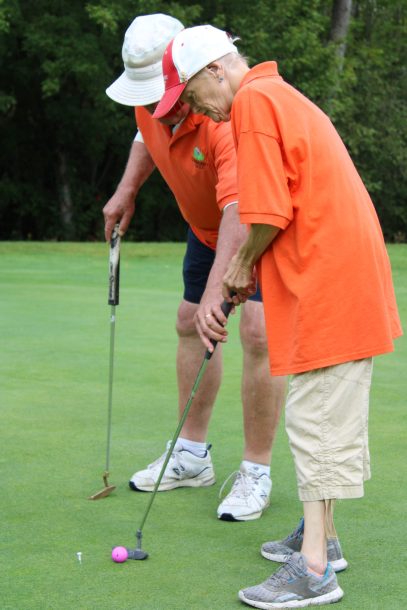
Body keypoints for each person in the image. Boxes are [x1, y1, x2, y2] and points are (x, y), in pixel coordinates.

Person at [153, 25, 402, 608]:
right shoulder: (274, 93)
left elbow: (266, 210)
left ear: (216, 69)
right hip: (335, 274)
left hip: (330, 279)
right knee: (325, 411)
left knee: (316, 419)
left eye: (191, 94)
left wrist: (238, 269)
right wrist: (243, 269)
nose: (193, 108)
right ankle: (324, 538)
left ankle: (315, 570)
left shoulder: (253, 103)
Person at [103, 14, 287, 522]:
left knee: (256, 330)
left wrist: (217, 296)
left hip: (257, 223)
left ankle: (256, 471)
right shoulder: (151, 103)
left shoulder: (223, 116)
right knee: (189, 322)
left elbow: (239, 206)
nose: (152, 105)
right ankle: (191, 453)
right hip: (205, 227)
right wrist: (127, 189)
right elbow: (147, 137)